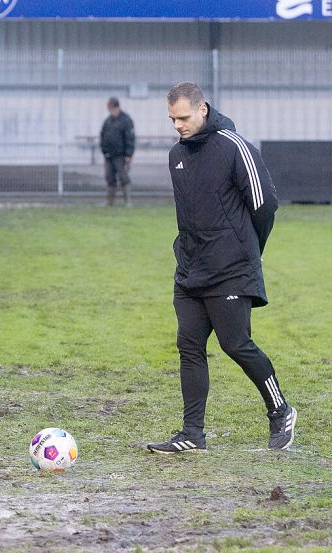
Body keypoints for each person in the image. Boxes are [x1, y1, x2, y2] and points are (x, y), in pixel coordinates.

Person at [147, 82, 295, 454]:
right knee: (189, 347)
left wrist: (247, 252)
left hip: (231, 268)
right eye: (171, 119)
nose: (177, 125)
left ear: (202, 109)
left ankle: (281, 410)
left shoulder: (234, 146)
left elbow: (265, 206)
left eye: (182, 117)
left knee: (236, 344)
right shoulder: (176, 155)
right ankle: (192, 433)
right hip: (191, 271)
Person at [100, 97, 135, 207]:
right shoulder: (108, 121)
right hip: (108, 155)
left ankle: (128, 201)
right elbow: (103, 136)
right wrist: (104, 150)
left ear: (116, 106)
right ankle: (109, 202)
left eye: (111, 107)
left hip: (121, 156)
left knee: (123, 177)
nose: (110, 109)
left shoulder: (126, 120)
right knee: (109, 177)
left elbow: (130, 138)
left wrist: (128, 154)